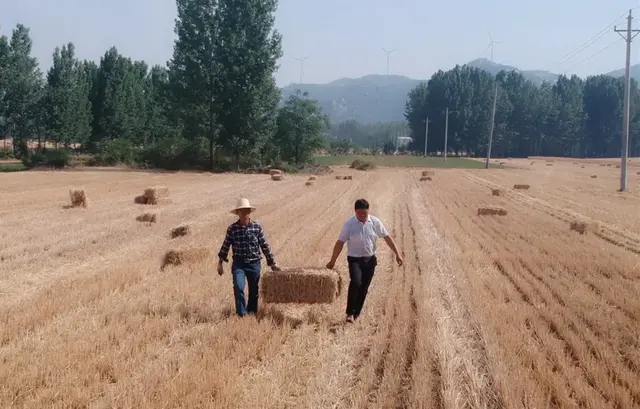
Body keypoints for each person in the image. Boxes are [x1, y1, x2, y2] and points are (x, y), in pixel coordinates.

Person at [326, 199, 403, 323]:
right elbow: (340, 243)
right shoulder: (349, 224)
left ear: (368, 211)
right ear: (355, 211)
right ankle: (349, 313)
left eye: (365, 213)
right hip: (354, 260)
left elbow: (387, 238)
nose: (362, 215)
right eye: (360, 213)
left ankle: (356, 314)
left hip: (370, 260)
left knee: (364, 288)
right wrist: (332, 261)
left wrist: (397, 254)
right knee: (356, 282)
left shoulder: (375, 222)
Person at [218, 198, 280, 317]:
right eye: (242, 211)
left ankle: (252, 313)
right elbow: (225, 245)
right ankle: (242, 315)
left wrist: (272, 263)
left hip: (254, 263)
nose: (245, 213)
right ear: (238, 213)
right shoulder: (232, 229)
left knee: (254, 291)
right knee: (238, 287)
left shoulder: (257, 228)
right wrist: (220, 263)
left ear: (249, 212)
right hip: (239, 264)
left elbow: (264, 246)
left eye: (247, 210)